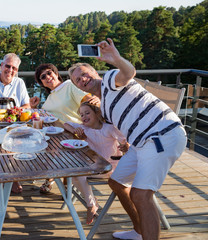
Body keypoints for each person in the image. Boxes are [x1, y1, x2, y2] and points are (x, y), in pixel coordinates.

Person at [68, 38, 187, 240]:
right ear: (78, 87)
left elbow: (128, 73)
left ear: (95, 73)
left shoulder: (110, 79)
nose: (82, 80)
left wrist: (116, 58)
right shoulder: (104, 105)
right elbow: (113, 125)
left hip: (160, 136)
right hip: (140, 143)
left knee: (141, 195)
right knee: (116, 182)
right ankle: (139, 230)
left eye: (84, 74)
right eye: (77, 80)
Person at [30, 63, 97, 193]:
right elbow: (44, 117)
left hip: (76, 134)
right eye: (43, 77)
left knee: (48, 148)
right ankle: (53, 177)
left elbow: (89, 101)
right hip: (58, 136)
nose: (47, 77)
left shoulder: (69, 86)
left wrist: (98, 99)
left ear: (56, 73)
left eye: (49, 73)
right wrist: (33, 108)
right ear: (42, 83)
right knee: (37, 142)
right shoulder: (50, 97)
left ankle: (59, 180)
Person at [63, 100, 128, 224]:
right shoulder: (84, 128)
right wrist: (75, 131)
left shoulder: (108, 128)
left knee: (79, 174)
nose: (84, 117)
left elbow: (124, 138)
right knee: (73, 174)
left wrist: (126, 145)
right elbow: (66, 124)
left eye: (87, 113)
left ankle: (91, 204)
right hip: (94, 166)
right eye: (81, 115)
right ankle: (91, 203)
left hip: (110, 167)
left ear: (97, 113)